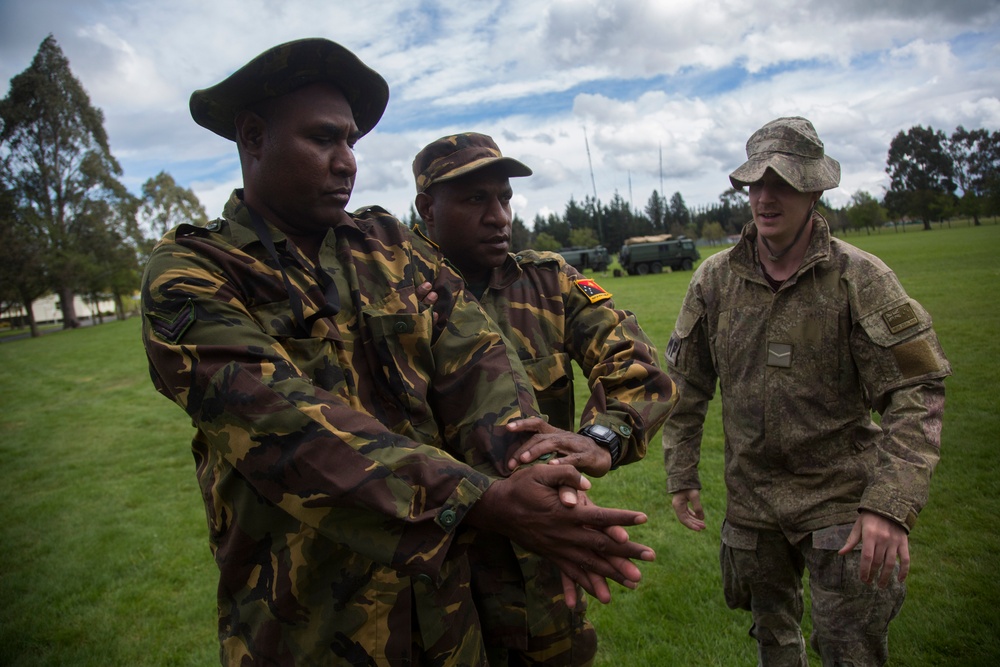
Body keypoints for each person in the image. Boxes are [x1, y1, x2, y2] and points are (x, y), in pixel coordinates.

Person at [141, 38, 654, 666]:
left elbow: (480, 361)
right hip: (310, 620)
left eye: (351, 141)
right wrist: (483, 500)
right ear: (252, 136)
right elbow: (278, 421)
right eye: (324, 139)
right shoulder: (194, 272)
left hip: (446, 611)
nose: (346, 162)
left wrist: (537, 476)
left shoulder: (386, 247)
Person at [661, 116, 951, 666]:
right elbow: (687, 386)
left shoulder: (859, 279)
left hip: (839, 502)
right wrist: (681, 474)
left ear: (814, 188)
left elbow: (917, 391)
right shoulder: (714, 280)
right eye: (756, 184)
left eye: (783, 184)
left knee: (851, 650)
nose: (766, 198)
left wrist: (890, 505)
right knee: (773, 642)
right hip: (752, 505)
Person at [412, 132, 677, 665]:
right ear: (427, 208)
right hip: (434, 572)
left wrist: (602, 437)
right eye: (474, 199)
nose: (498, 216)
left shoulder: (548, 282)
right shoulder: (394, 295)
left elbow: (636, 366)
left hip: (540, 562)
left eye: (504, 198)